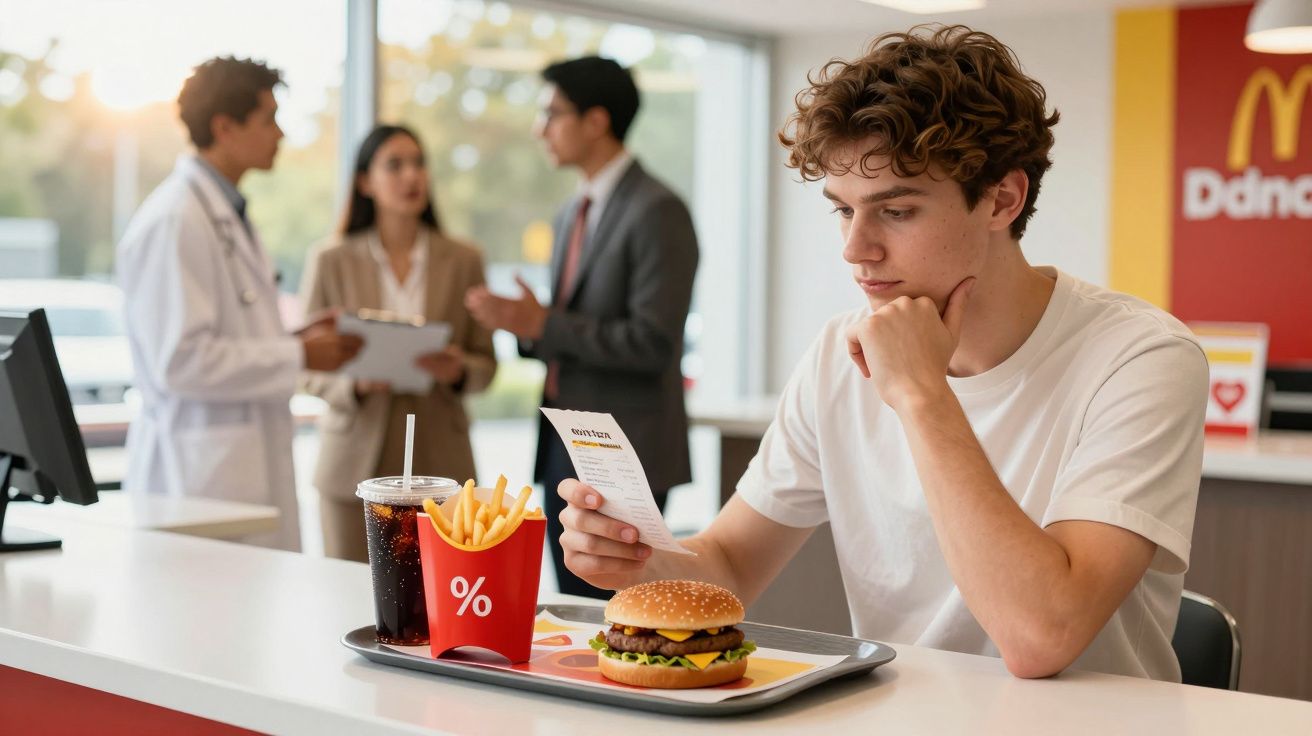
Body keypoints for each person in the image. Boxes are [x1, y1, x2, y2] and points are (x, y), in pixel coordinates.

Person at [554, 26, 1210, 681]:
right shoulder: (837, 357)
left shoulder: (1142, 357)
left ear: (1002, 199)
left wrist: (921, 393)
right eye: (843, 210)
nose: (855, 247)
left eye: (895, 211)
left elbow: (1042, 636)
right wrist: (641, 559)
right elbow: (728, 564)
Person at [465, 56, 699, 599]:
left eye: (552, 112)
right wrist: (526, 327)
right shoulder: (572, 212)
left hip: (625, 453)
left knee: (618, 616)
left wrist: (543, 322)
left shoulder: (658, 210)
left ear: (596, 121)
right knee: (573, 612)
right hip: (562, 444)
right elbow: (566, 332)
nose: (539, 127)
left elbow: (652, 344)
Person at [116, 57, 362, 551]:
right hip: (196, 477)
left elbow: (222, 341)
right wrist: (299, 356)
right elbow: (180, 361)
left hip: (233, 470)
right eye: (268, 119)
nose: (280, 134)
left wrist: (294, 340)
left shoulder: (223, 214)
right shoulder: (176, 220)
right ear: (224, 127)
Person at [299, 124, 497, 562]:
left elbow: (487, 365)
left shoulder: (464, 260)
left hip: (442, 457)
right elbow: (306, 366)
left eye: (419, 163)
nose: (412, 176)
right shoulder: (330, 260)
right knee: (347, 600)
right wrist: (354, 385)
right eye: (395, 165)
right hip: (354, 457)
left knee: (443, 600)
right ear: (365, 181)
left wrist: (459, 368)